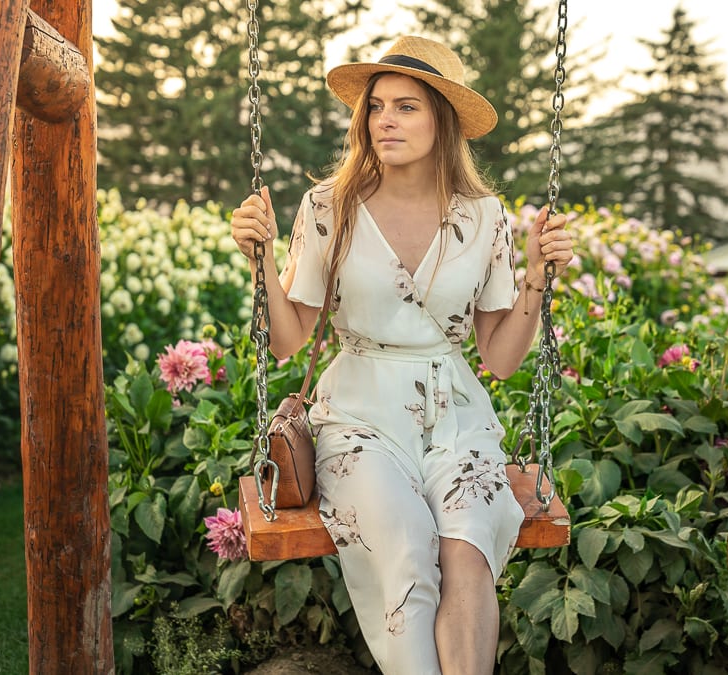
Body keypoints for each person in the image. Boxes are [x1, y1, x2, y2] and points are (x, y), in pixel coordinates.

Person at [229, 35, 574, 675]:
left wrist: (534, 279)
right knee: (408, 547)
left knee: (467, 547)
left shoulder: (483, 217)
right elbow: (286, 339)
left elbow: (499, 358)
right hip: (359, 415)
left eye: (406, 106)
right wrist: (264, 263)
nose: (384, 119)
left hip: (457, 417)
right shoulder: (329, 208)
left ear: (442, 119)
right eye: (377, 105)